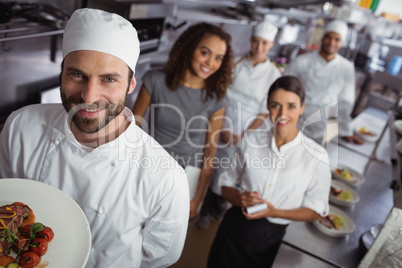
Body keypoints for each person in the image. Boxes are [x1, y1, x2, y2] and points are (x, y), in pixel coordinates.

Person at [0, 8, 190, 268]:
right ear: (62, 72)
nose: (89, 96)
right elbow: (6, 200)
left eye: (108, 79)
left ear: (131, 84)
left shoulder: (166, 178)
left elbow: (158, 258)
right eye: (77, 74)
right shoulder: (21, 126)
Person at [207, 76, 331, 268]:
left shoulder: (316, 156)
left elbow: (317, 210)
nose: (283, 113)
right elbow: (225, 184)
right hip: (233, 230)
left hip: (270, 239)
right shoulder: (250, 141)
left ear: (302, 107)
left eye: (291, 106)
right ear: (267, 106)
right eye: (276, 105)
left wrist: (275, 211)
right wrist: (241, 199)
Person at [132, 22, 234, 219]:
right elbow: (132, 129)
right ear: (189, 48)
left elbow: (210, 151)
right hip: (148, 168)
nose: (210, 63)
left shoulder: (216, 98)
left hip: (188, 177)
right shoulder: (155, 80)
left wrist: (198, 197)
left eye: (218, 58)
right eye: (205, 52)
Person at [197, 21, 282, 229]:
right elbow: (220, 95)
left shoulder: (273, 76)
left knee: (228, 175)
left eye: (264, 43)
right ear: (250, 41)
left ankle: (213, 210)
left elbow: (264, 112)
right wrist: (222, 127)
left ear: (271, 45)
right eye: (255, 41)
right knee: (206, 166)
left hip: (246, 133)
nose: (259, 47)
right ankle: (199, 205)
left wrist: (241, 135)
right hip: (220, 123)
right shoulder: (234, 64)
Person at [284, 20, 363, 145]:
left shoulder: (346, 68)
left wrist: (345, 131)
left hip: (323, 126)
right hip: (296, 120)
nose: (331, 42)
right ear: (322, 38)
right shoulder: (302, 61)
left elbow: (345, 102)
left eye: (336, 39)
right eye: (328, 37)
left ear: (341, 43)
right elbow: (284, 88)